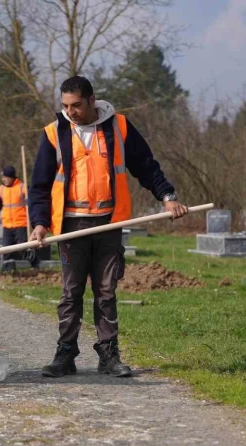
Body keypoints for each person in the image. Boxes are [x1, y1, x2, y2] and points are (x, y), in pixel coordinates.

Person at [28, 76, 188, 379]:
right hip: (70, 227)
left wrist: (168, 197)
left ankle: (108, 354)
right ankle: (66, 353)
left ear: (91, 100)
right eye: (65, 106)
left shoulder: (119, 126)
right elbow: (39, 186)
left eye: (76, 105)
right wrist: (38, 224)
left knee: (105, 291)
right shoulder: (54, 133)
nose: (70, 112)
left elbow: (146, 166)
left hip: (109, 224)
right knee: (71, 292)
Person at [0, 166, 39, 269]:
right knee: (7, 249)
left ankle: (35, 264)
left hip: (21, 224)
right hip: (7, 225)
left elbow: (35, 198)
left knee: (23, 248)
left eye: (5, 177)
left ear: (11, 177)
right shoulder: (1, 189)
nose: (3, 179)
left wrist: (30, 200)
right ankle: (9, 271)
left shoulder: (22, 187)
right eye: (3, 177)